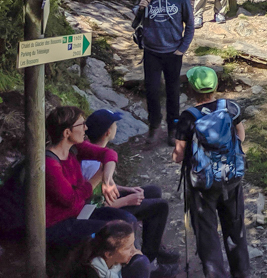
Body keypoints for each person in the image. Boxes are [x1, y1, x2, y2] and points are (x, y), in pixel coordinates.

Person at [41, 107, 154, 269]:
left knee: (129, 221)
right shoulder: (51, 164)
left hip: (80, 211)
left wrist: (107, 179)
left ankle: (127, 265)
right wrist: (97, 177)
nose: (86, 128)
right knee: (117, 233)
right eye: (81, 125)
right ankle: (120, 268)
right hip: (60, 222)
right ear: (67, 133)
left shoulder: (74, 148)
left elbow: (108, 154)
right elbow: (71, 201)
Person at [172, 67, 250, 278]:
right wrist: (228, 151)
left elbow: (178, 155)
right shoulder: (231, 107)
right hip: (232, 177)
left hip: (202, 184)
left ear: (191, 90)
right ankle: (242, 273)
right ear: (215, 86)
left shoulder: (188, 117)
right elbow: (240, 134)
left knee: (207, 234)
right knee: (235, 229)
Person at [84, 110, 178, 267]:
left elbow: (103, 186)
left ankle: (155, 245)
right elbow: (93, 206)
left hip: (106, 200)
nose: (116, 127)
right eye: (114, 124)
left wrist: (128, 189)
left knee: (153, 191)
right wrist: (128, 200)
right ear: (107, 132)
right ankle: (149, 260)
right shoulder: (94, 164)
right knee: (161, 206)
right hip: (101, 212)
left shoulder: (94, 153)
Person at [133, 0, 194, 145]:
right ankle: (154, 126)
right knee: (151, 91)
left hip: (173, 53)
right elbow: (134, 24)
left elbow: (190, 25)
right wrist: (141, 9)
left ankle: (173, 129)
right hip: (151, 52)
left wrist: (181, 49)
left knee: (172, 91)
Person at [71, 220, 152, 278]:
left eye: (133, 245)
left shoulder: (116, 263)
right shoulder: (90, 273)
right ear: (109, 254)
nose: (134, 251)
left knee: (142, 262)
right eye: (128, 248)